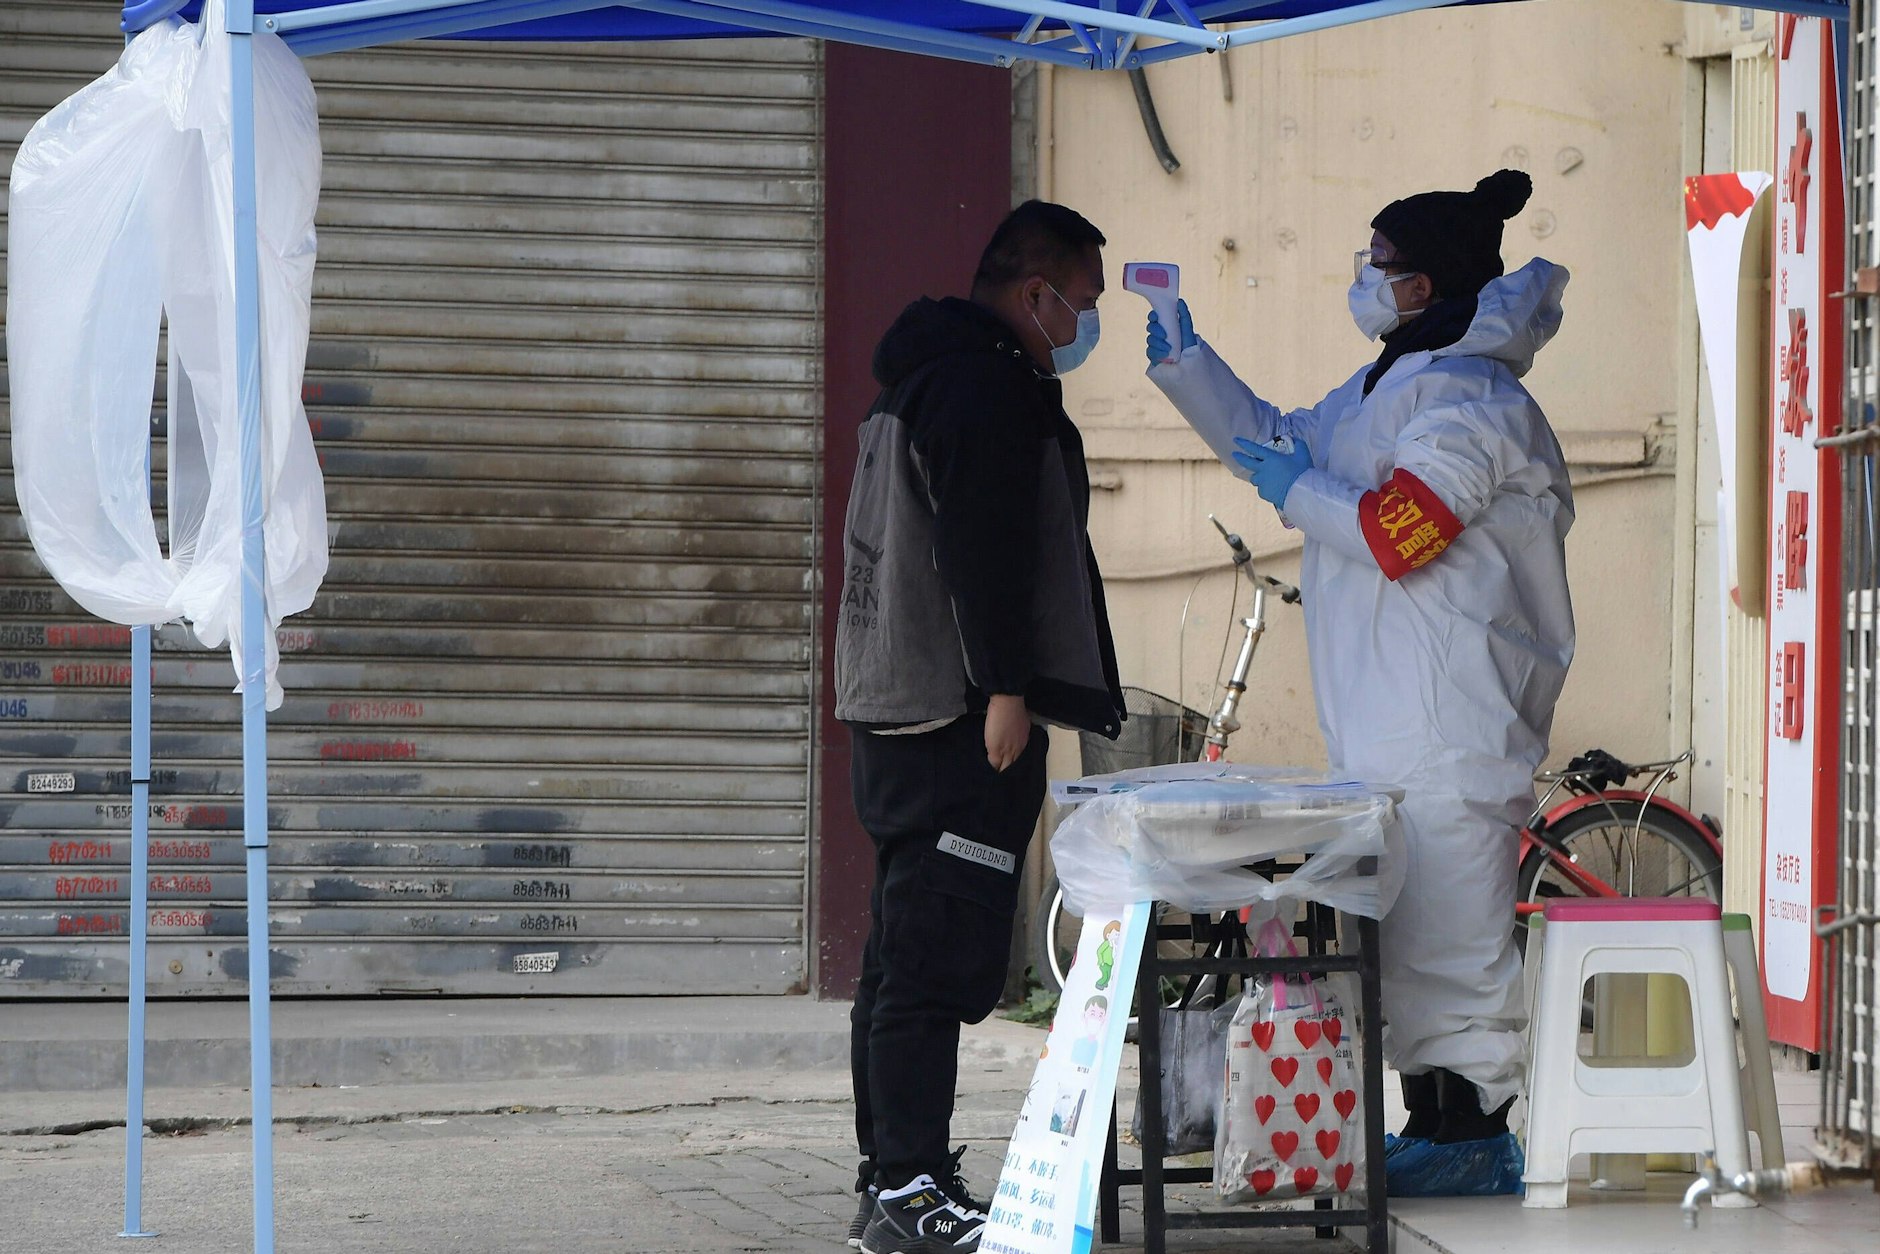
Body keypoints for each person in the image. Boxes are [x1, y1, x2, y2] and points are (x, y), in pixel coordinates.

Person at [1144, 169, 1573, 1196]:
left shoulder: (1475, 404)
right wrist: (1187, 362)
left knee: (1455, 946)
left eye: (1373, 262)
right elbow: (1276, 447)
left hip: (1453, 716)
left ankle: (1473, 1138)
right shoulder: (1382, 386)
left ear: (1420, 286)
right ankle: (1433, 1131)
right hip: (1387, 722)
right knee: (1412, 941)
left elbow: (1398, 533)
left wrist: (1302, 491)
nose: (1360, 277)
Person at [835, 199, 1126, 1253]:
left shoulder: (919, 376)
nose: (1084, 325)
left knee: (897, 957)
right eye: (1081, 304)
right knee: (931, 958)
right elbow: (981, 551)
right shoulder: (980, 387)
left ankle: (890, 1178)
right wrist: (1005, 692)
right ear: (1032, 291)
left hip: (896, 707)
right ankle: (909, 1191)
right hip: (955, 716)